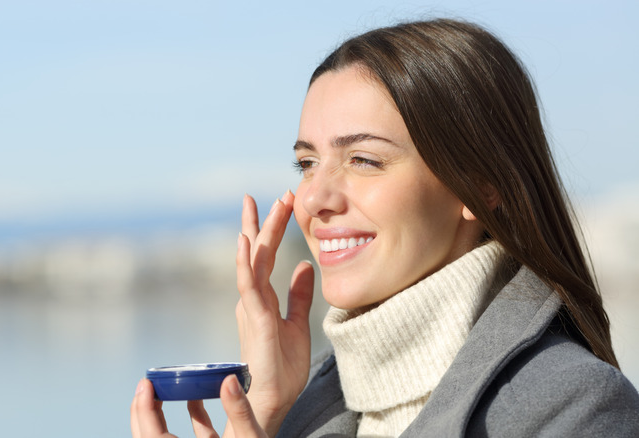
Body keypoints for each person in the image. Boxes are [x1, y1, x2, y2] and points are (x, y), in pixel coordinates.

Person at [130, 18, 639, 437]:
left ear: (478, 188)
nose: (314, 198)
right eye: (306, 164)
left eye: (364, 160)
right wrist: (267, 411)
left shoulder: (576, 409)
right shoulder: (304, 411)